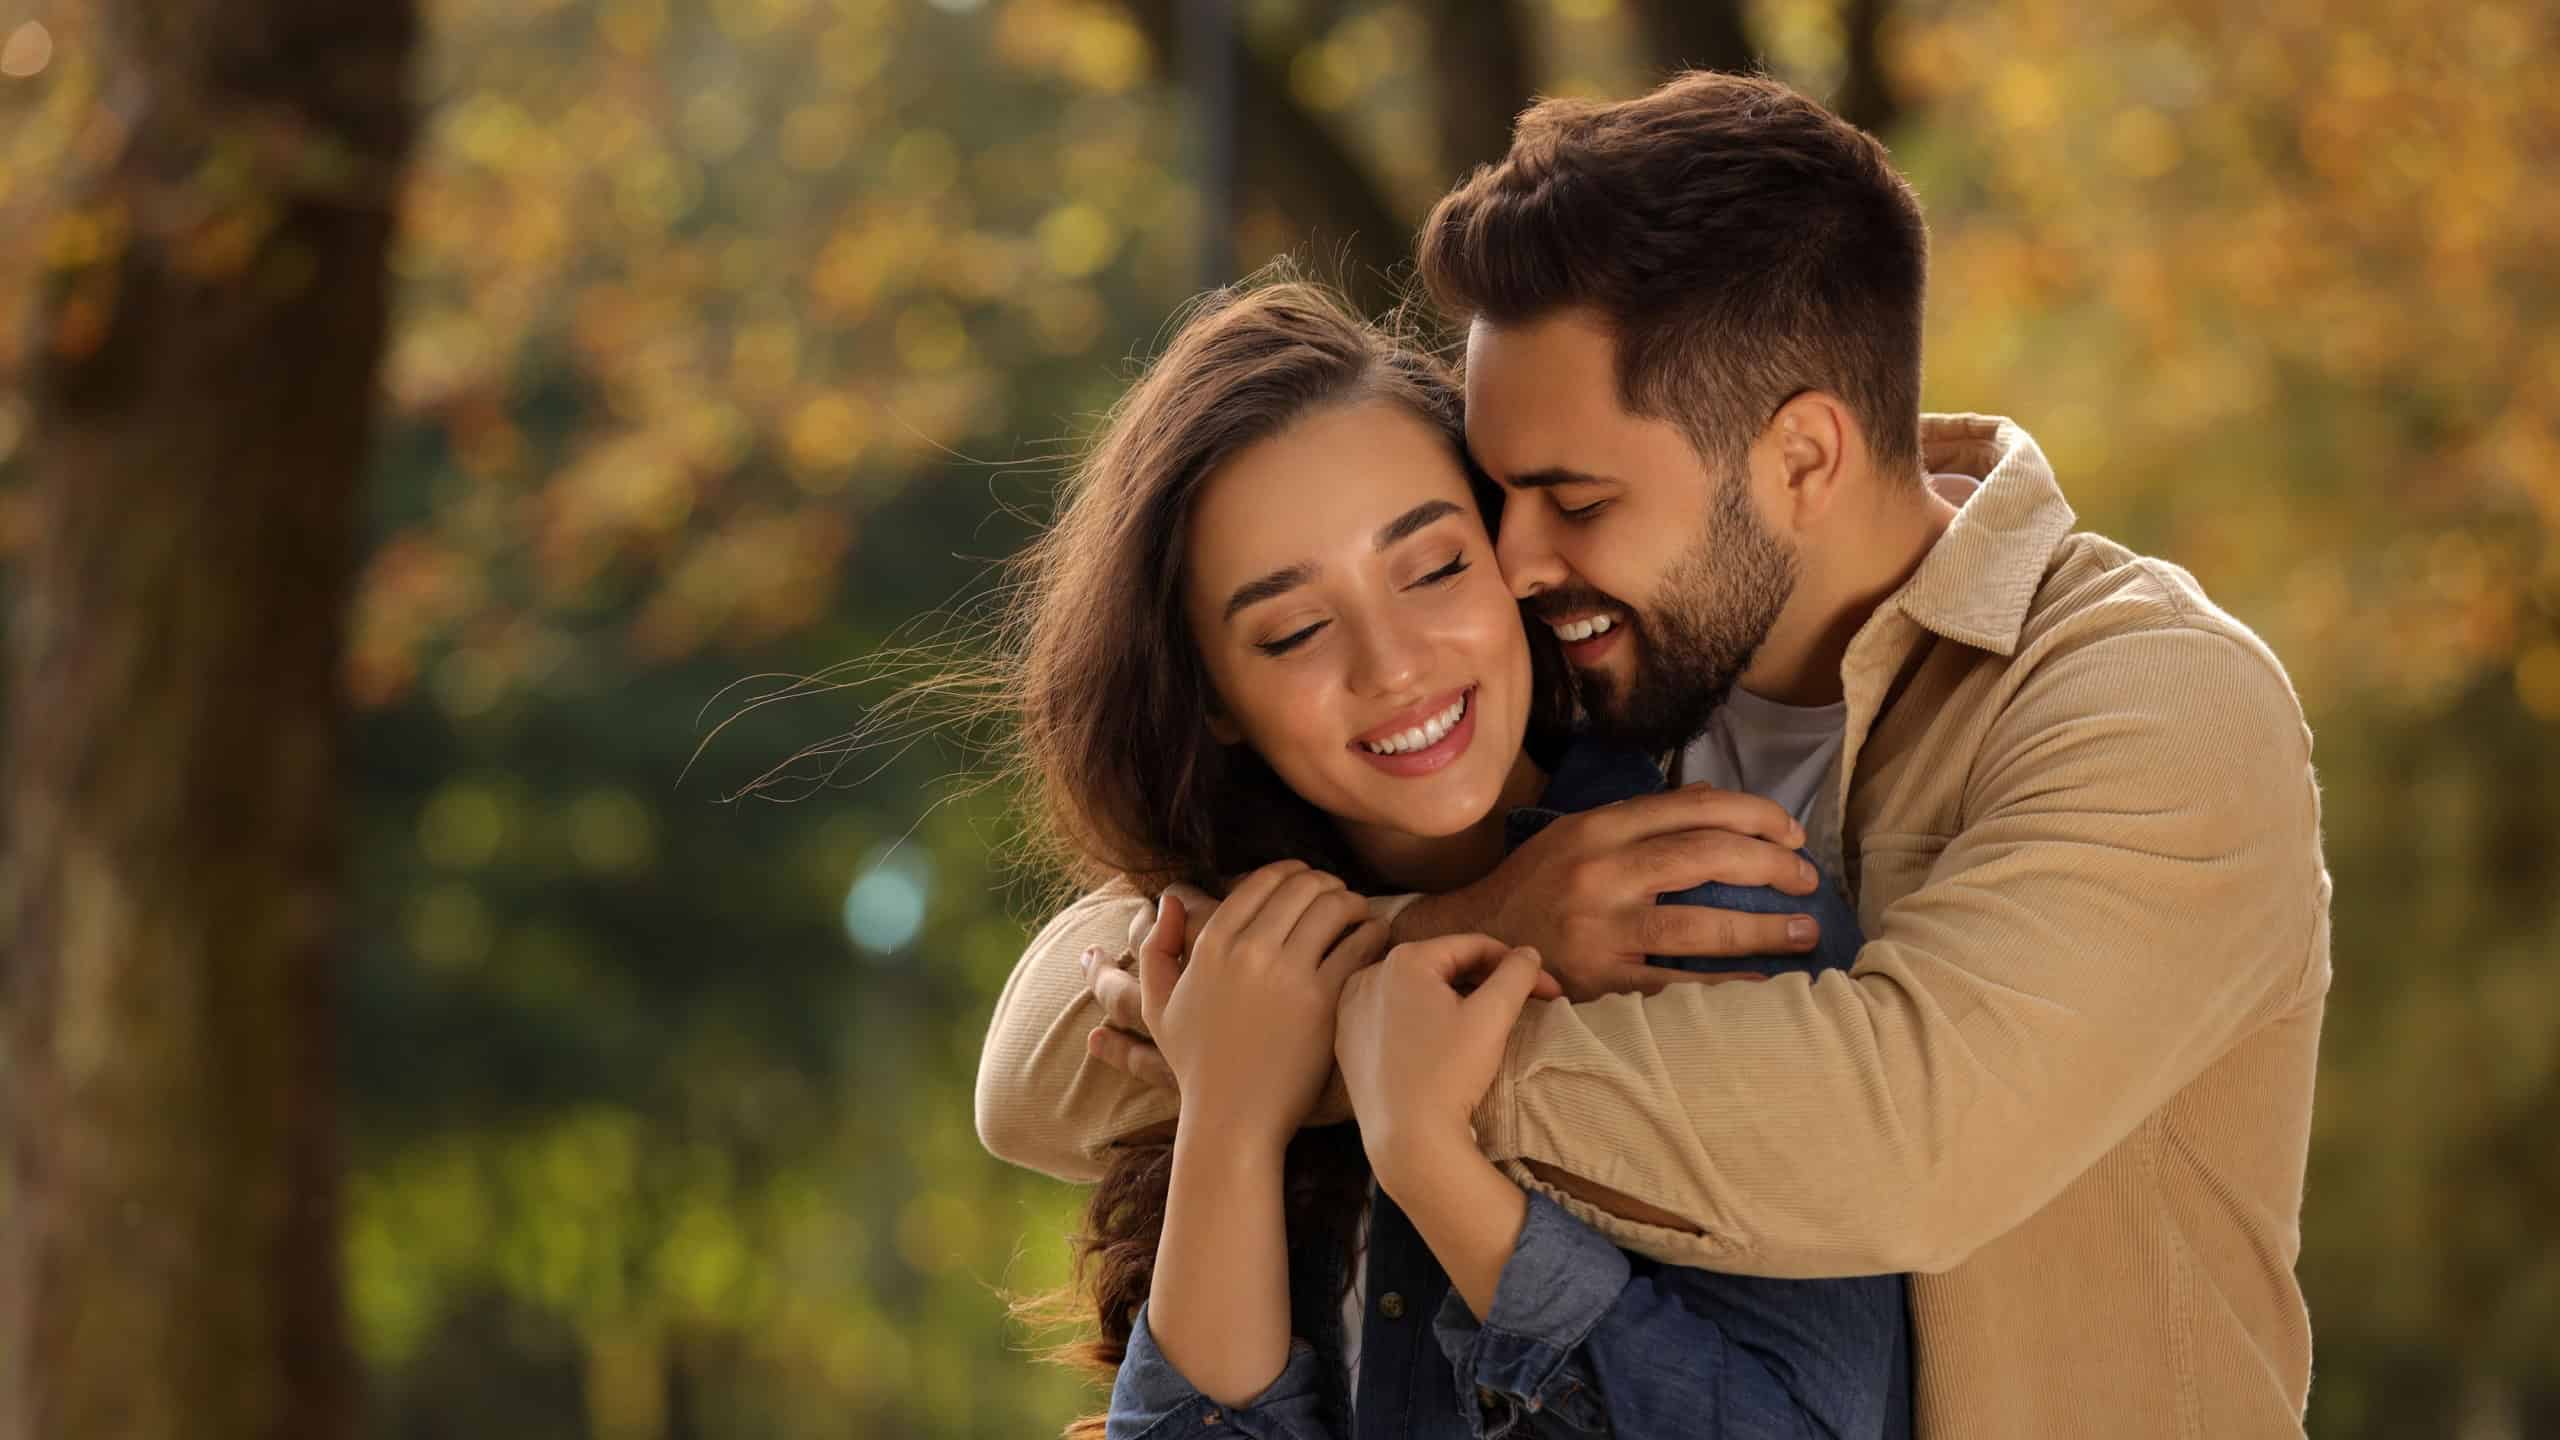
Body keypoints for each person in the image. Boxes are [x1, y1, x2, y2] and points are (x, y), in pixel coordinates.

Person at [979, 72, 2330, 1438]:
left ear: (1801, 458)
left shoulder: (2149, 700)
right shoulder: (1602, 681)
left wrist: (1389, 1047)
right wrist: (1459, 926)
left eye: (1571, 499)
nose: (1509, 562)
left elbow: (1902, 1137)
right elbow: (1047, 1046)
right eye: (1493, 501)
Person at [984, 275, 1908, 1437]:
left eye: (1432, 569)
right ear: (1211, 695)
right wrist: (1230, 1119)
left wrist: (1429, 1160)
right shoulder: (1228, 982)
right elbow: (1019, 1075)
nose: (1395, 665)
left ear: (1511, 561)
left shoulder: (1709, 910)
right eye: (1293, 629)